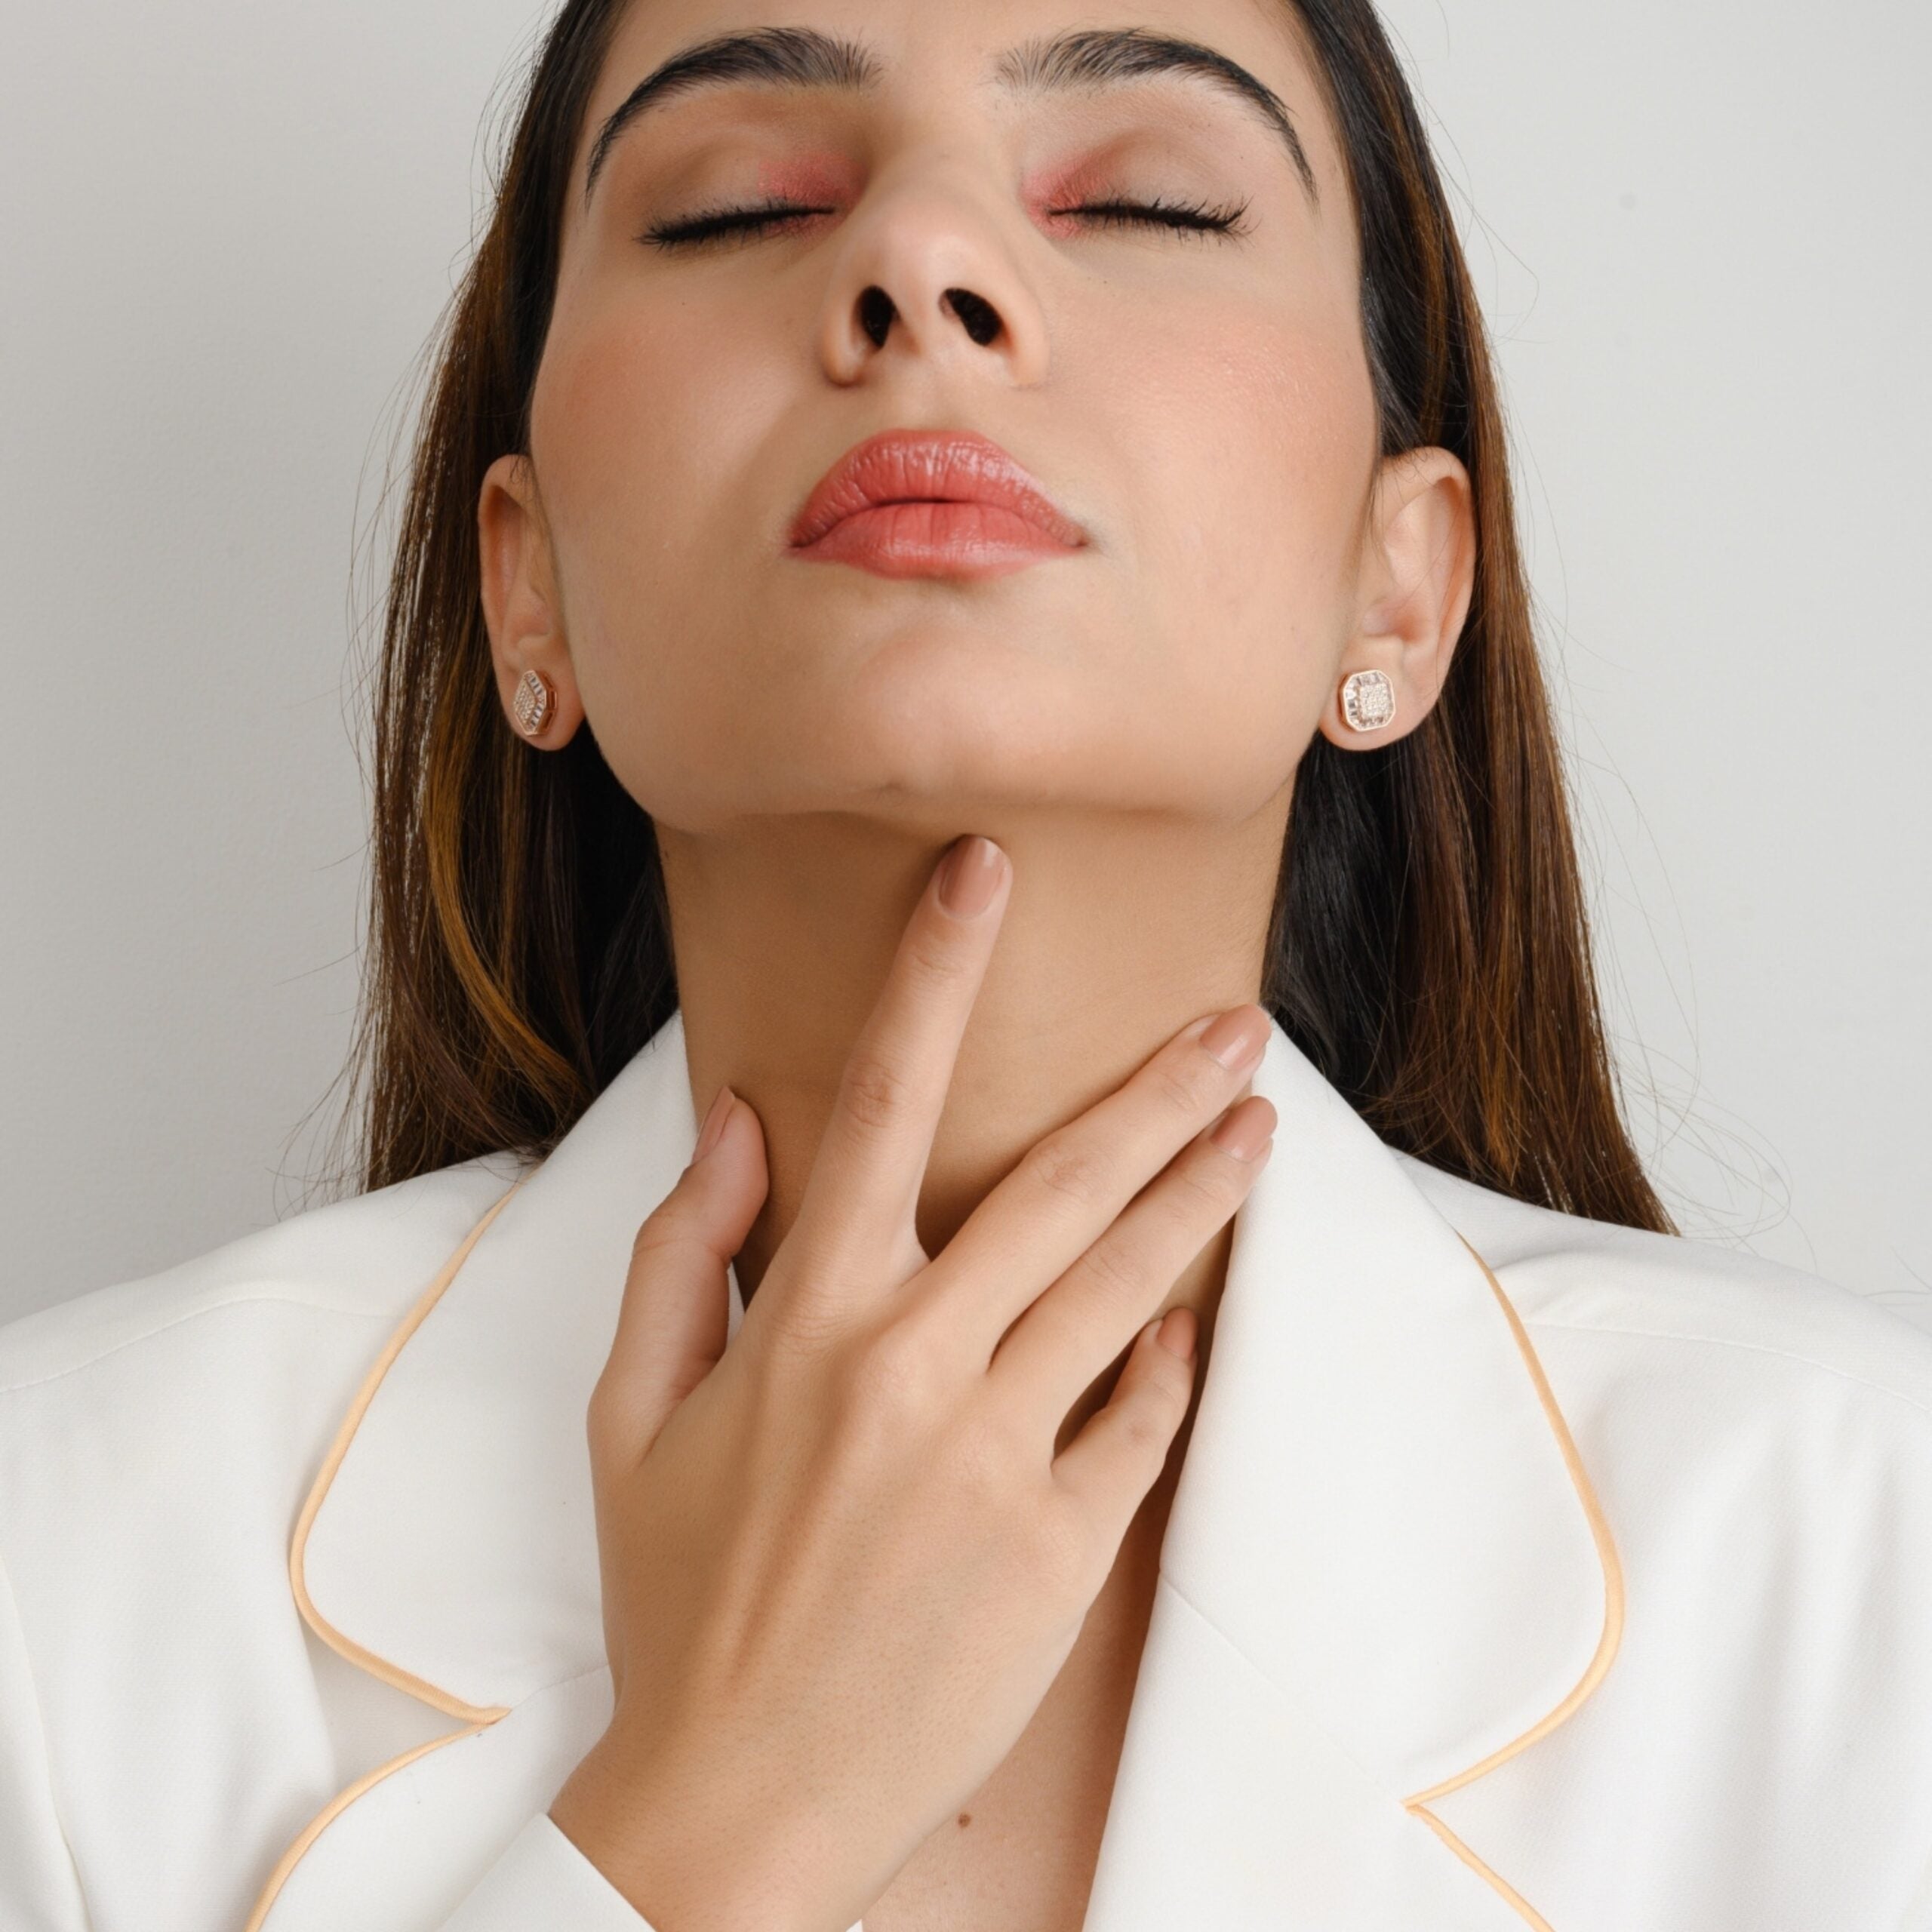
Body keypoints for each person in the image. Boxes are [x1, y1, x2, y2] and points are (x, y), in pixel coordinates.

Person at [4, 2, 1929, 1928]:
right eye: (737, 204)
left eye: (1153, 202)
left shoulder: (1864, 1555)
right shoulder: (58, 1565)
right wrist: (705, 1824)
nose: (915, 260)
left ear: (1401, 581)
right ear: (529, 587)